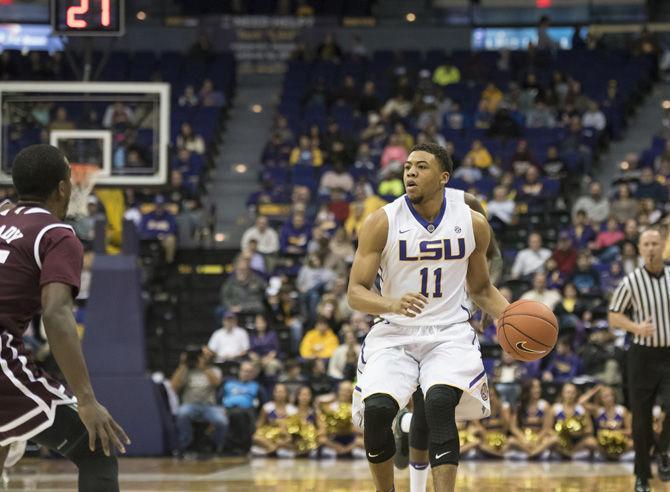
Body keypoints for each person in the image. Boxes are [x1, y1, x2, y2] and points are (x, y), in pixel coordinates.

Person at [348, 143, 510, 492]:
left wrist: (509, 318)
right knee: (376, 413)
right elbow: (355, 292)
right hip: (395, 331)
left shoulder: (472, 222)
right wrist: (390, 304)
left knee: (438, 405)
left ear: (443, 178)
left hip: (448, 332)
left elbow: (481, 289)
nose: (410, 173)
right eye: (407, 166)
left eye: (421, 167)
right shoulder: (382, 221)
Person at [0, 145, 129, 492]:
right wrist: (86, 400)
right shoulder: (56, 234)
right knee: (96, 445)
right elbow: (56, 313)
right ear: (62, 188)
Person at [393, 186, 504, 490]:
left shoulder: (466, 205)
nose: (414, 175)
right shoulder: (400, 212)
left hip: (453, 320)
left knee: (437, 403)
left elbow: (492, 256)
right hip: (414, 319)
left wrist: (484, 297)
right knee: (425, 404)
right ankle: (415, 481)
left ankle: (406, 427)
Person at [608, 228, 670, 492]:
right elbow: (614, 316)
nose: (652, 248)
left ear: (663, 245)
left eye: (656, 243)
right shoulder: (631, 281)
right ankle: (642, 476)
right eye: (647, 244)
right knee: (641, 419)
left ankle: (663, 449)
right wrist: (635, 327)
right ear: (640, 248)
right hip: (642, 356)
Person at [170, 348, 227, 455]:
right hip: (189, 405)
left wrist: (204, 366)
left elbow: (216, 384)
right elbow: (173, 386)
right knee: (182, 414)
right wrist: (183, 364)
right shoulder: (187, 371)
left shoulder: (214, 370)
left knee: (221, 421)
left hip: (209, 406)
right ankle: (185, 446)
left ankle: (217, 446)